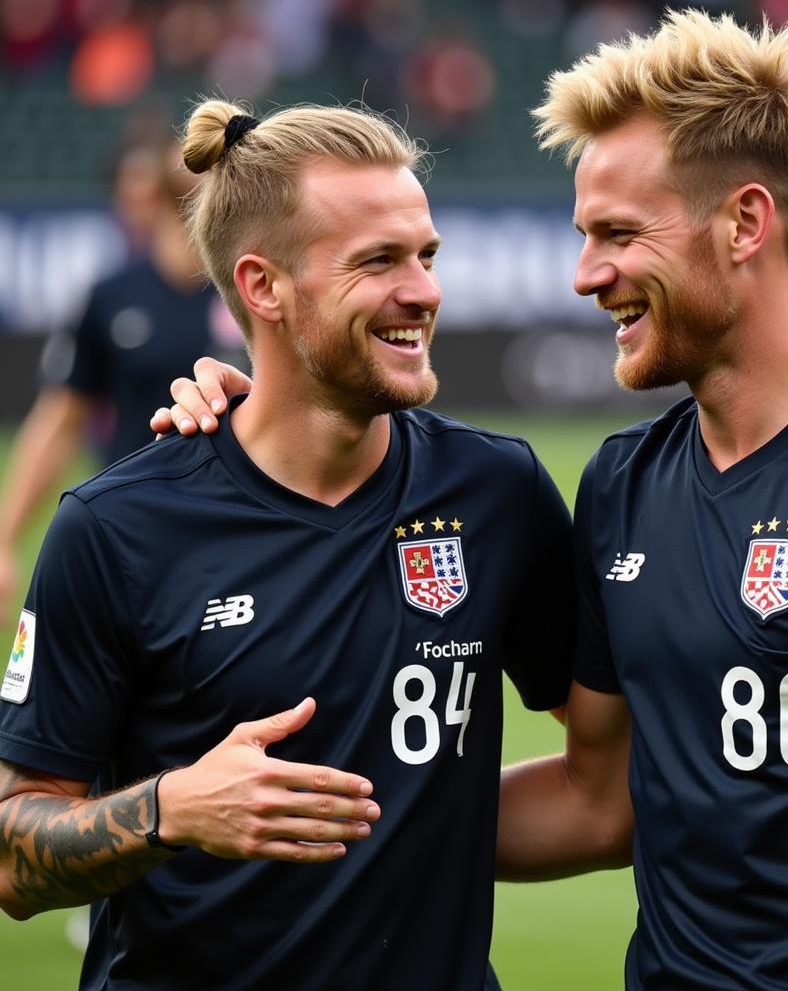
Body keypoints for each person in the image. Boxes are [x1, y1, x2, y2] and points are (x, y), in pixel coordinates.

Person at [161, 11, 788, 991]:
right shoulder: (622, 484)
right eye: (583, 236)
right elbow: (598, 796)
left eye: (617, 234)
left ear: (744, 223)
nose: (585, 276)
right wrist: (252, 816)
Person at [0, 100, 575, 991]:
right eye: (378, 260)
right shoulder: (114, 529)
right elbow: (12, 854)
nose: (423, 290)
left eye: (426, 255)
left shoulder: (496, 492)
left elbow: (609, 778)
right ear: (263, 286)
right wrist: (171, 809)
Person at [0, 135, 245, 631]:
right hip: (135, 529)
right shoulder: (112, 296)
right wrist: (5, 541)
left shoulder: (253, 290)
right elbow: (60, 420)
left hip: (240, 526)